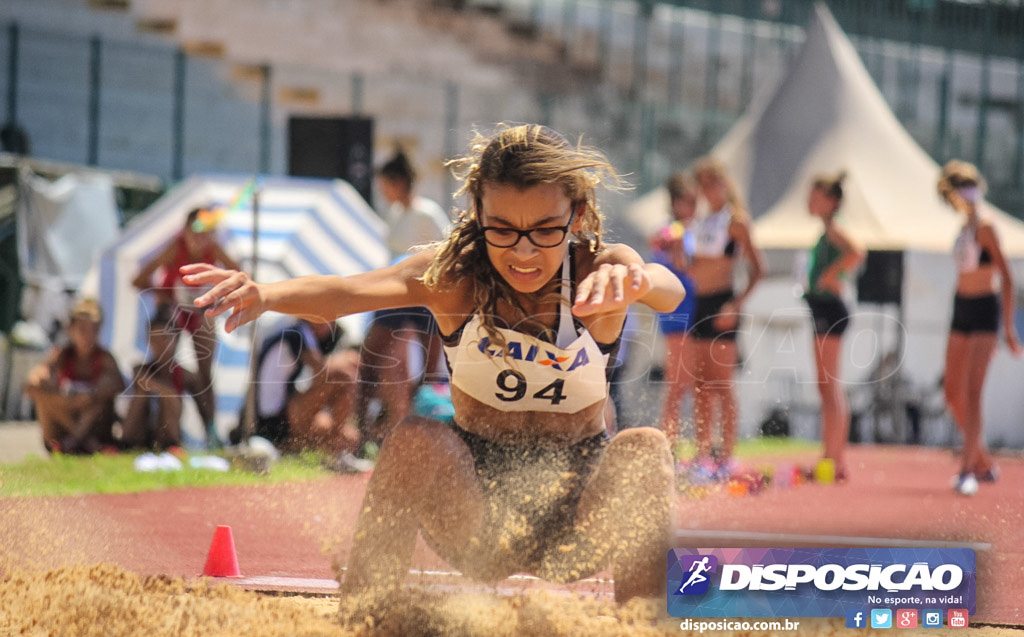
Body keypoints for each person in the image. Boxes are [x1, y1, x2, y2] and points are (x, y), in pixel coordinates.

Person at [181, 124, 685, 602]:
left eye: (544, 231)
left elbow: (667, 288)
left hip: (578, 515)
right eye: (503, 230)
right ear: (478, 214)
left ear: (575, 216)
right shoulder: (453, 277)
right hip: (476, 514)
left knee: (645, 447)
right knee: (417, 438)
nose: (524, 252)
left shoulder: (603, 270)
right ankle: (365, 623)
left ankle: (643, 636)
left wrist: (639, 282)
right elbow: (352, 290)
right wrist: (265, 293)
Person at [937, 160, 1022, 495]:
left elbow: (1008, 279)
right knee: (952, 392)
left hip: (985, 309)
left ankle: (968, 468)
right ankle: (982, 459)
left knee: (973, 393)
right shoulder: (962, 229)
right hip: (961, 308)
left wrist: (1008, 329)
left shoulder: (986, 227)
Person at [356, 149, 450, 452]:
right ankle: (363, 431)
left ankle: (427, 438)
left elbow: (445, 252)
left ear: (398, 183)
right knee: (372, 355)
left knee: (431, 369)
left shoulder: (427, 213)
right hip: (397, 292)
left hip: (425, 293)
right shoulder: (395, 214)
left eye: (386, 185)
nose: (383, 192)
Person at [132, 206, 241, 449]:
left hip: (199, 312)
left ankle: (211, 432)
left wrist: (220, 297)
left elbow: (241, 276)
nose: (199, 238)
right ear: (185, 231)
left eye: (206, 232)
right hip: (174, 312)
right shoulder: (175, 248)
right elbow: (138, 279)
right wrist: (165, 295)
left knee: (205, 374)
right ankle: (169, 433)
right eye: (195, 231)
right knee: (169, 369)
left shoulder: (214, 250)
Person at [684, 157, 765, 474]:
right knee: (700, 384)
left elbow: (759, 269)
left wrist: (736, 305)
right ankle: (703, 452)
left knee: (721, 383)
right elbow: (693, 269)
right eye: (702, 184)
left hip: (723, 304)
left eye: (713, 182)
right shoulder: (699, 222)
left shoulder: (736, 221)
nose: (708, 189)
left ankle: (727, 455)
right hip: (699, 304)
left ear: (725, 183)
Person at [802, 172, 864, 482]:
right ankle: (830, 456)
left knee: (830, 384)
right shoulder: (826, 230)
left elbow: (857, 251)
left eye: (816, 197)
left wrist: (831, 275)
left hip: (830, 308)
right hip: (820, 308)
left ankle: (836, 459)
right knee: (824, 385)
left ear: (832, 201)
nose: (809, 202)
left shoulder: (837, 228)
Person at [252, 317, 371, 472]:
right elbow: (321, 372)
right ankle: (338, 452)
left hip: (283, 418)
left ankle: (338, 448)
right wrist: (342, 360)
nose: (331, 323)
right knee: (346, 376)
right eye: (328, 316)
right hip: (274, 423)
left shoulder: (299, 333)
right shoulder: (295, 334)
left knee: (350, 437)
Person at [23, 298, 125, 454]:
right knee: (42, 396)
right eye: (83, 329)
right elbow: (31, 384)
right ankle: (79, 440)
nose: (88, 336)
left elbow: (118, 385)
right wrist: (68, 401)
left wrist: (89, 396)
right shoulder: (62, 355)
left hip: (96, 426)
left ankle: (76, 441)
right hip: (67, 425)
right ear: (71, 330)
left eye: (94, 330)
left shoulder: (104, 358)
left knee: (99, 399)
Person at [653, 171, 699, 444]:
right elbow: (661, 246)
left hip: (695, 308)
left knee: (691, 382)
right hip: (678, 311)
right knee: (677, 383)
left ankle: (684, 442)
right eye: (689, 201)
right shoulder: (672, 230)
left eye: (695, 201)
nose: (693, 207)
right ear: (676, 202)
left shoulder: (691, 229)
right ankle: (668, 443)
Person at [121, 306, 204, 452]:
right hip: (140, 433)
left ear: (175, 339)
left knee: (169, 397)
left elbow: (203, 405)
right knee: (144, 393)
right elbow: (142, 381)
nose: (159, 344)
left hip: (167, 432)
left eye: (164, 338)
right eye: (154, 339)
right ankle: (128, 444)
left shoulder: (185, 375)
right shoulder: (141, 369)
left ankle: (169, 444)